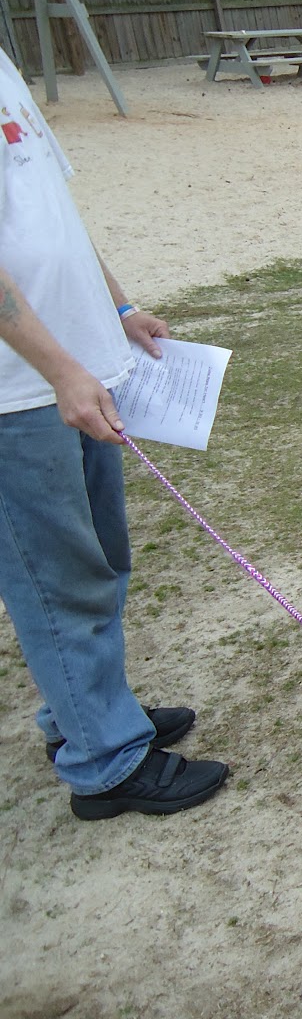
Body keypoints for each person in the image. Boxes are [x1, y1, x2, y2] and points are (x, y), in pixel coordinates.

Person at [0, 48, 229, 820]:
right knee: (58, 577)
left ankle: (86, 715)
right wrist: (58, 369)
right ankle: (105, 761)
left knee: (101, 558)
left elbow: (51, 210)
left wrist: (120, 310)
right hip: (19, 392)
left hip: (79, 367)